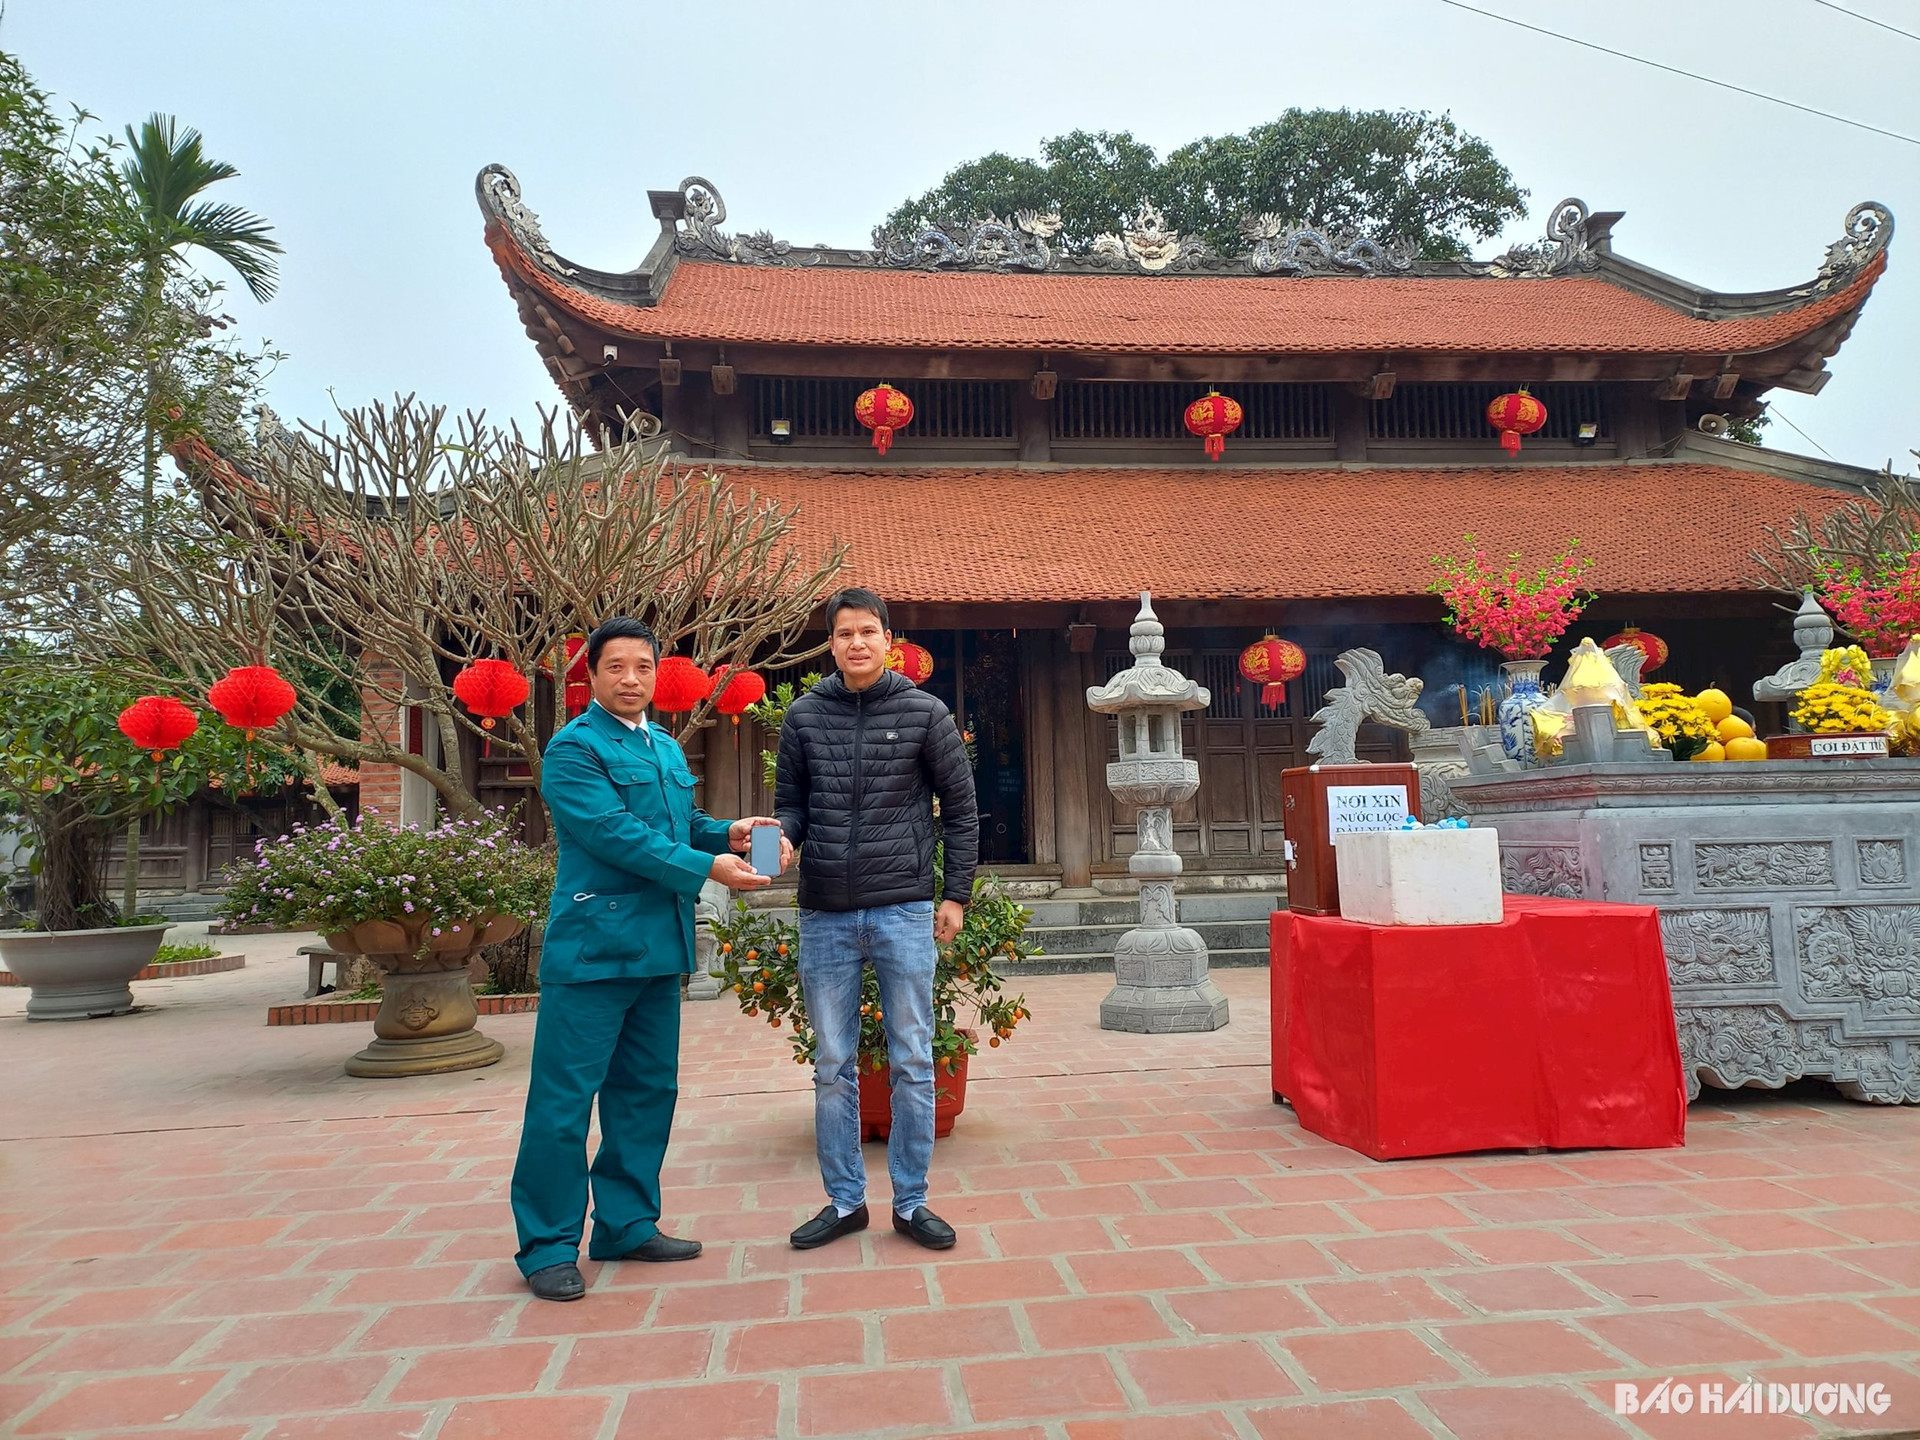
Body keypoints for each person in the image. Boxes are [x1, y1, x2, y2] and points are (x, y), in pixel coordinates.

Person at [510, 616, 789, 1302]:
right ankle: (547, 1244)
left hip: (658, 950)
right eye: (616, 668)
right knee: (562, 1104)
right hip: (594, 951)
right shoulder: (574, 751)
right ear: (592, 676)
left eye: (643, 666)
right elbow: (612, 833)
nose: (631, 679)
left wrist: (729, 829)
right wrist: (709, 865)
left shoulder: (663, 746)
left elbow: (677, 825)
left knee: (644, 1094)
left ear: (657, 674)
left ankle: (626, 1223)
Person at [775, 586, 979, 1252]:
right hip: (826, 912)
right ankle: (844, 1202)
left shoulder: (925, 714)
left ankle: (912, 1203)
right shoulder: (804, 716)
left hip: (902, 908)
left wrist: (955, 896)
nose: (855, 643)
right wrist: (782, 837)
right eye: (843, 633)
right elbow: (792, 806)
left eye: (867, 631)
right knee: (831, 1062)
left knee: (914, 1060)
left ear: (889, 640)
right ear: (829, 644)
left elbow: (963, 810)